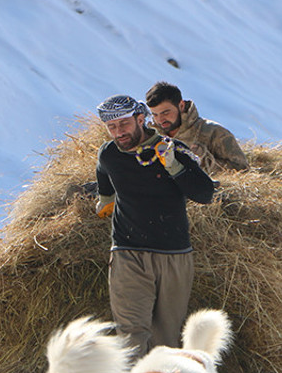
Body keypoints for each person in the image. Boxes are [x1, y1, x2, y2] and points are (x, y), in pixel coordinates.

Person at [95, 94, 216, 356]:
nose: (119, 133)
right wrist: (105, 198)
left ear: (141, 119)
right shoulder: (109, 153)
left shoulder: (173, 150)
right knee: (130, 335)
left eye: (124, 124)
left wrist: (172, 165)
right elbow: (103, 170)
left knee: (166, 338)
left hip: (173, 255)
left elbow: (205, 194)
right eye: (112, 127)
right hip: (127, 253)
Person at [145, 81, 250, 174]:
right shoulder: (151, 137)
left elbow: (242, 170)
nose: (160, 119)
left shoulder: (213, 132)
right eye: (155, 114)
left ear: (181, 105)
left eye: (166, 112)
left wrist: (204, 161)